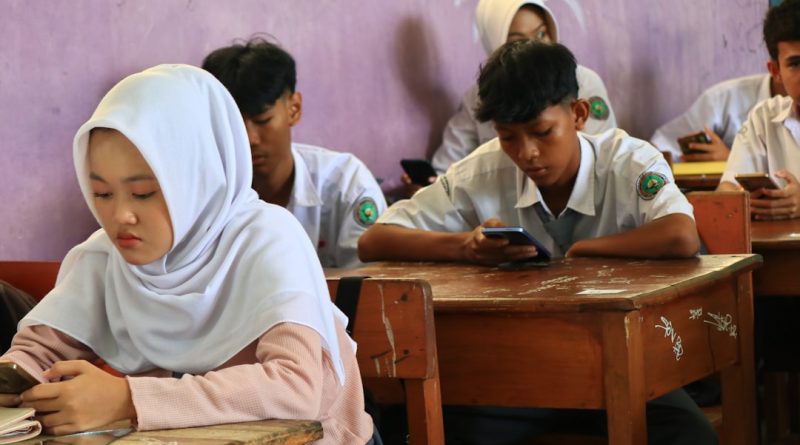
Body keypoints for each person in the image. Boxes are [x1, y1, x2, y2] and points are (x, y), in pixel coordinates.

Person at [0, 64, 375, 444]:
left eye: (144, 192)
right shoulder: (104, 257)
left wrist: (128, 400)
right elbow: (34, 353)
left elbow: (296, 388)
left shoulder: (268, 240)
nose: (119, 216)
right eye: (102, 194)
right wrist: (17, 378)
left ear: (199, 180)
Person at [360, 40, 711, 445]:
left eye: (542, 133)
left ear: (578, 114)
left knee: (688, 435)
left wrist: (580, 253)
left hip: (627, 365)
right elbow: (376, 240)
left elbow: (681, 235)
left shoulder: (628, 161)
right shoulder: (481, 171)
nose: (526, 153)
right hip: (521, 370)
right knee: (431, 429)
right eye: (508, 137)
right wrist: (466, 248)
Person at [202, 39, 386, 268]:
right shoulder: (203, 194)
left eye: (263, 121)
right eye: (234, 125)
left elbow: (373, 287)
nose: (249, 139)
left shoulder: (347, 185)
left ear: (294, 109)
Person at [402, 0, 616, 196]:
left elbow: (600, 158)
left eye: (541, 34)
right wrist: (428, 188)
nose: (535, 46)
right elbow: (449, 164)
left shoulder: (582, 81)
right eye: (507, 137)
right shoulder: (480, 96)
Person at [717, 0, 800, 222]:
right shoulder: (765, 118)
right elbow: (727, 190)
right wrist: (745, 199)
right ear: (776, 71)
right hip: (779, 254)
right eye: (796, 63)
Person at [650, 72, 785, 162]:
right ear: (775, 68)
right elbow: (659, 148)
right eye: (795, 64)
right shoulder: (723, 99)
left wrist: (732, 160)